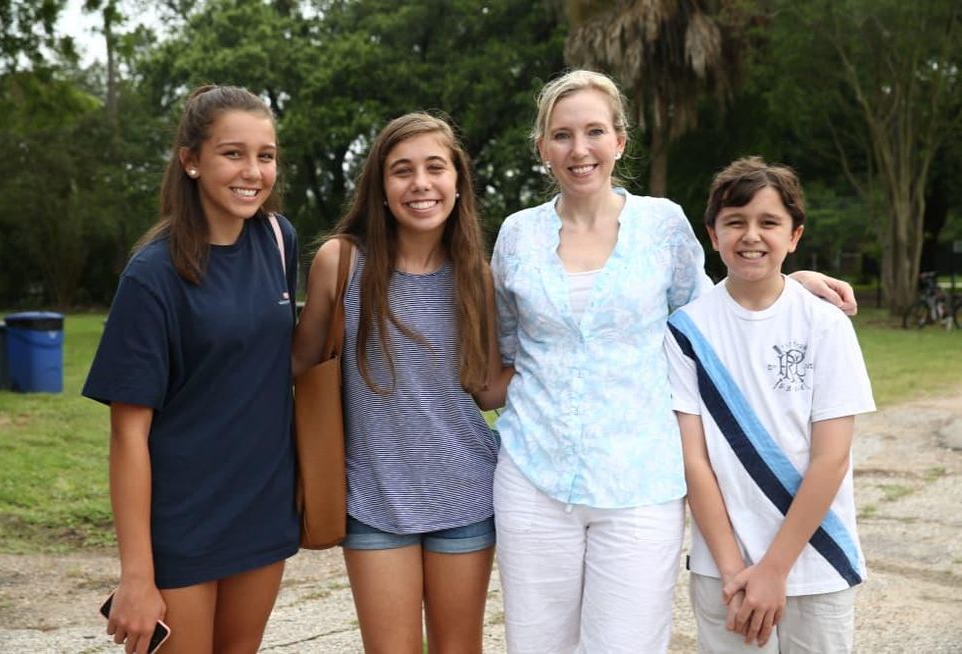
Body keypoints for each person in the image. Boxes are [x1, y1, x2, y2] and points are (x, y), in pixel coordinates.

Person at [489, 69, 858, 653]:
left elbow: (711, 311)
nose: (578, 149)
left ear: (620, 141)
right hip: (534, 474)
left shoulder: (662, 225)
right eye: (562, 135)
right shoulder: (515, 236)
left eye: (593, 132)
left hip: (642, 477)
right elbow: (505, 345)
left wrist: (791, 280)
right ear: (542, 148)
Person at [83, 85, 300, 654]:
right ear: (191, 161)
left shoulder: (279, 242)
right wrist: (137, 573)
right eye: (233, 153)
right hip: (183, 523)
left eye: (266, 155)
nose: (253, 171)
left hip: (263, 508)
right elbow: (128, 435)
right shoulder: (152, 276)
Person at [292, 112, 510, 653]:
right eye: (402, 170)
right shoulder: (340, 264)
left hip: (466, 496)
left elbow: (485, 389)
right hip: (373, 499)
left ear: (457, 183)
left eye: (435, 168)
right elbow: (298, 366)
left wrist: (573, 359)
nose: (420, 184)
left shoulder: (477, 275)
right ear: (380, 187)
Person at [664, 157, 875, 653]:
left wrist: (775, 570)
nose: (751, 235)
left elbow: (832, 457)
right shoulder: (686, 331)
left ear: (795, 235)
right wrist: (736, 570)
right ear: (712, 235)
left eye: (769, 222)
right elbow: (694, 461)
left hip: (816, 562)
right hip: (725, 569)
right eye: (735, 222)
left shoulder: (825, 325)